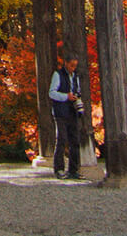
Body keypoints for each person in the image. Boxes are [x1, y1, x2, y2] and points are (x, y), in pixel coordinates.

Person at [46, 47, 83, 179]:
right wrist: (65, 96)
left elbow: (77, 91)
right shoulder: (58, 74)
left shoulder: (75, 77)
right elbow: (52, 93)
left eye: (75, 66)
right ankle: (59, 169)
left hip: (72, 111)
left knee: (75, 140)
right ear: (66, 63)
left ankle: (73, 170)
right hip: (60, 111)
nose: (73, 68)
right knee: (62, 139)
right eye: (71, 65)